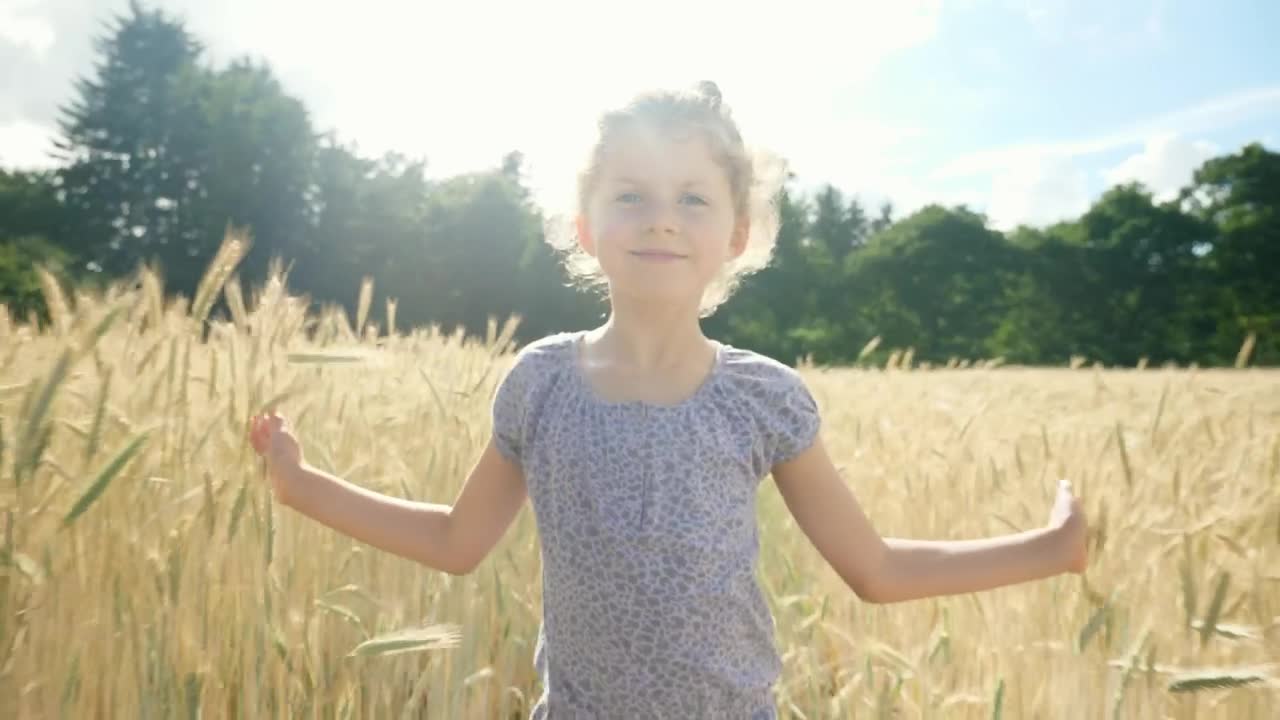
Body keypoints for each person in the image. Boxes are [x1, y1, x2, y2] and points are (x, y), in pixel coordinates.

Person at [248, 81, 1088, 719]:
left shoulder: (762, 398)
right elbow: (456, 541)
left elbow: (876, 570)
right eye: (631, 196)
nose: (661, 219)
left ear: (735, 234)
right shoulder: (541, 382)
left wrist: (1053, 548)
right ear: (585, 227)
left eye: (692, 197)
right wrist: (301, 485)